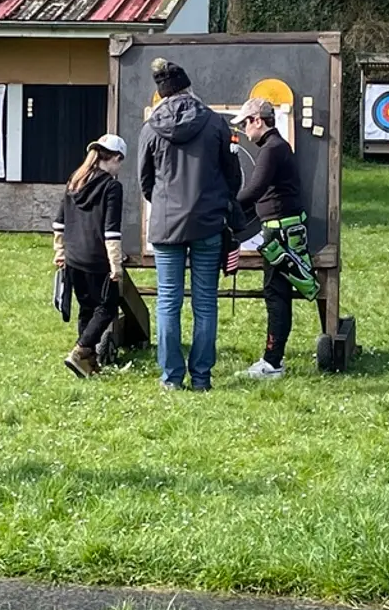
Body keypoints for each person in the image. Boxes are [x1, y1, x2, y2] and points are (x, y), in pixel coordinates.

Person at [138, 57, 240, 390]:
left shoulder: (151, 128)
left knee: (168, 301)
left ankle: (170, 378)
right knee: (205, 301)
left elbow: (145, 181)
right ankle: (201, 378)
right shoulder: (215, 123)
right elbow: (232, 175)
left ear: (162, 95)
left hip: (167, 225)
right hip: (208, 223)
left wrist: (167, 205)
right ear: (189, 88)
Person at [231, 97, 324, 380]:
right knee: (278, 294)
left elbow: (254, 190)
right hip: (283, 229)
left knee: (275, 295)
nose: (245, 132)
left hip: (280, 231)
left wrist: (225, 208)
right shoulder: (277, 146)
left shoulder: (271, 149)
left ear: (258, 120)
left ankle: (272, 362)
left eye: (246, 123)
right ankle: (274, 360)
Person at [53, 133, 128, 378]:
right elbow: (111, 231)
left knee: (87, 309)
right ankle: (80, 351)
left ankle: (89, 364)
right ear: (115, 158)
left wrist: (60, 252)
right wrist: (115, 265)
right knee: (108, 307)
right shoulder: (112, 186)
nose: (120, 168)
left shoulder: (74, 181)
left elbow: (59, 223)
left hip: (74, 258)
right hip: (97, 259)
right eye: (120, 162)